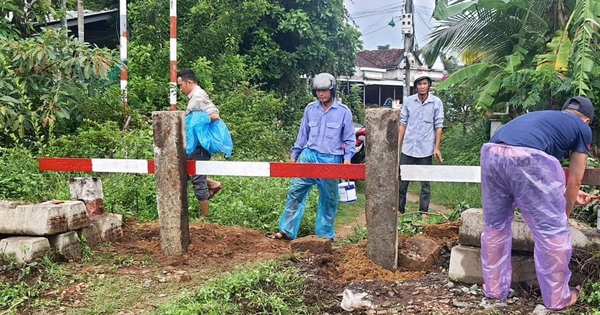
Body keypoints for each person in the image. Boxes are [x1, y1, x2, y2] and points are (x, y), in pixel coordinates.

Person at [480, 96, 596, 310]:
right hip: (526, 156)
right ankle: (558, 299)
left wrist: (563, 195)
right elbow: (576, 179)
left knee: (495, 227)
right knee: (553, 233)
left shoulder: (544, 118)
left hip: (491, 153)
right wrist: (564, 216)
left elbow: (536, 181)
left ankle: (495, 290)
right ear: (587, 120)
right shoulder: (582, 128)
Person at [267, 73, 356, 240]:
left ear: (332, 90)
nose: (321, 94)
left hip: (331, 159)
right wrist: (294, 155)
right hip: (309, 156)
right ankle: (286, 230)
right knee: (295, 192)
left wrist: (347, 160)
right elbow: (303, 135)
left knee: (328, 199)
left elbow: (349, 139)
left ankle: (324, 236)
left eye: (324, 90)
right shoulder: (310, 109)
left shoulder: (344, 112)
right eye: (317, 91)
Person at [177, 68, 223, 218]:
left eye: (181, 85)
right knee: (185, 171)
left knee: (197, 179)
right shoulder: (193, 97)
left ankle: (205, 217)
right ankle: (213, 184)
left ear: (189, 82)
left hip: (200, 145)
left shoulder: (198, 96)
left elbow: (215, 115)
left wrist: (197, 122)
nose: (180, 88)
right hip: (194, 144)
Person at [398, 72, 444, 220]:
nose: (422, 86)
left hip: (425, 148)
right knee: (402, 181)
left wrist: (436, 148)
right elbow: (403, 123)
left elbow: (438, 126)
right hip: (408, 147)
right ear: (416, 86)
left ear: (429, 85)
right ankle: (400, 210)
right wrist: (398, 145)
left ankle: (423, 212)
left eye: (425, 83)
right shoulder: (409, 102)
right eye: (419, 84)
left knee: (425, 182)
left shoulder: (436, 102)